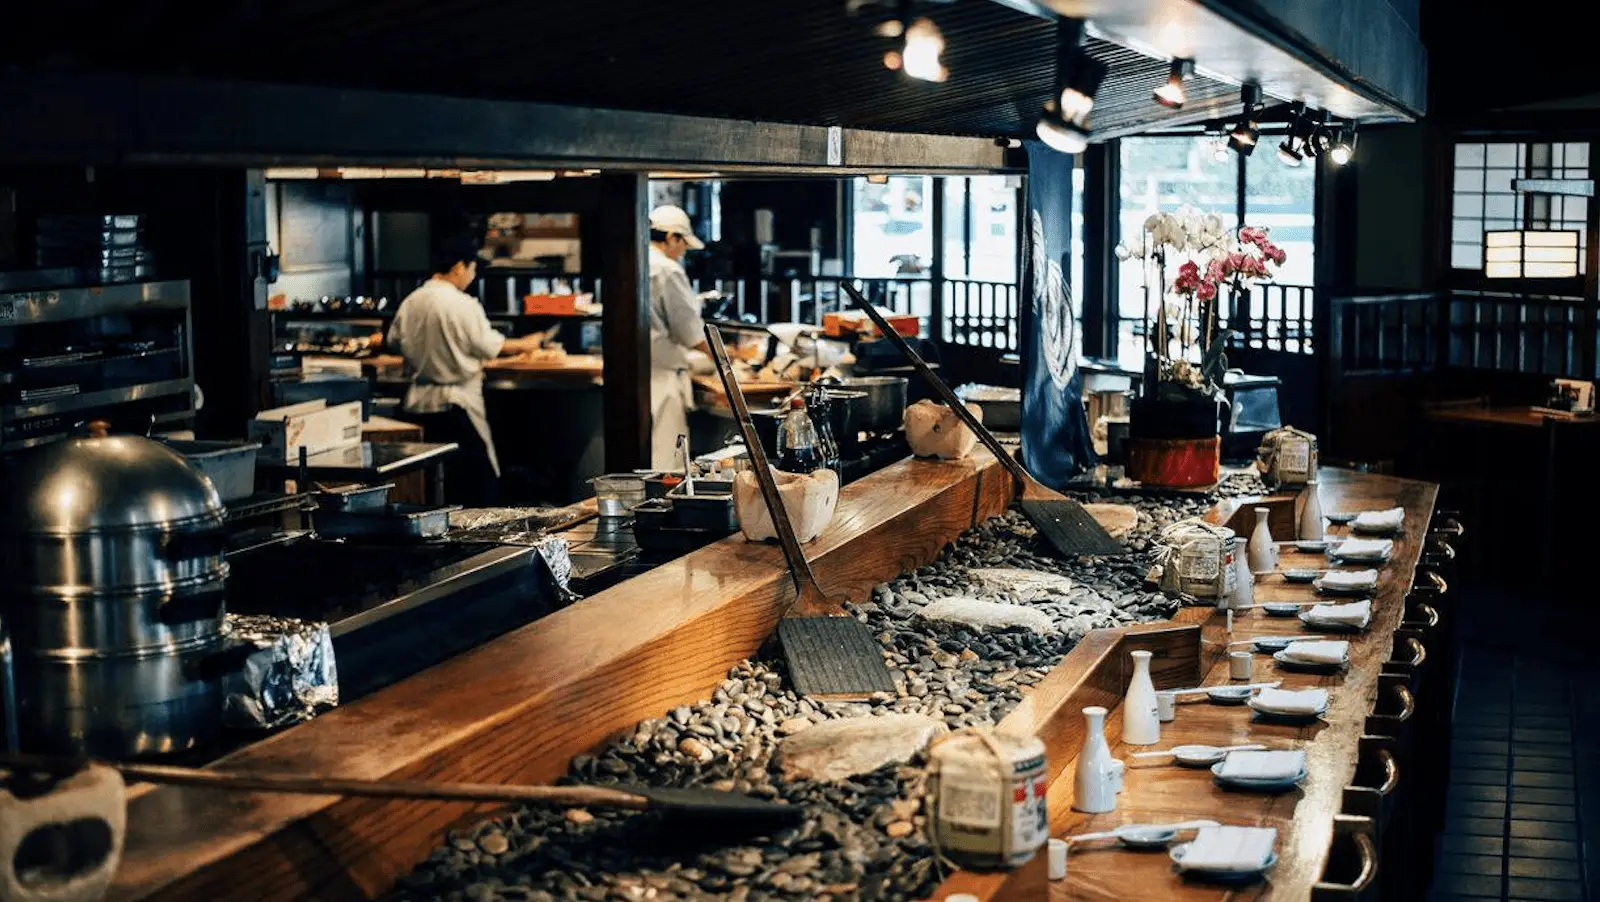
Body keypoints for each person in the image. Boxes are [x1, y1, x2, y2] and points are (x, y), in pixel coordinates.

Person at [387, 235, 541, 505]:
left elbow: (393, 341)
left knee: (429, 491)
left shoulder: (411, 301)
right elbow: (488, 345)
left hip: (416, 405)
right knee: (474, 492)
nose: (473, 276)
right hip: (457, 406)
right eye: (472, 269)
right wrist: (526, 344)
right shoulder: (462, 304)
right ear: (459, 266)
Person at [647, 204, 710, 470]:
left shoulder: (634, 259)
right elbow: (691, 333)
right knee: (666, 465)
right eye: (683, 243)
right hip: (662, 378)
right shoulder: (667, 270)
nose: (683, 251)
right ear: (672, 237)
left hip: (636, 375)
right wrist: (727, 358)